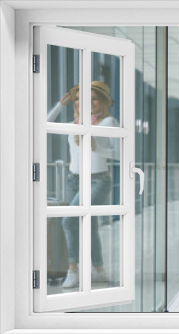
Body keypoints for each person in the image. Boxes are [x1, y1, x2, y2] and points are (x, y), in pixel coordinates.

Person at [47, 81, 120, 289]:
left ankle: (73, 270)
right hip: (73, 180)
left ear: (103, 101)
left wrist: (96, 147)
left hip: (97, 180)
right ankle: (99, 271)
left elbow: (121, 153)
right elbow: (43, 124)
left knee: (69, 221)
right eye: (78, 98)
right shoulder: (76, 124)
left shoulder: (108, 123)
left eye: (93, 98)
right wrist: (60, 105)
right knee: (89, 226)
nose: (83, 102)